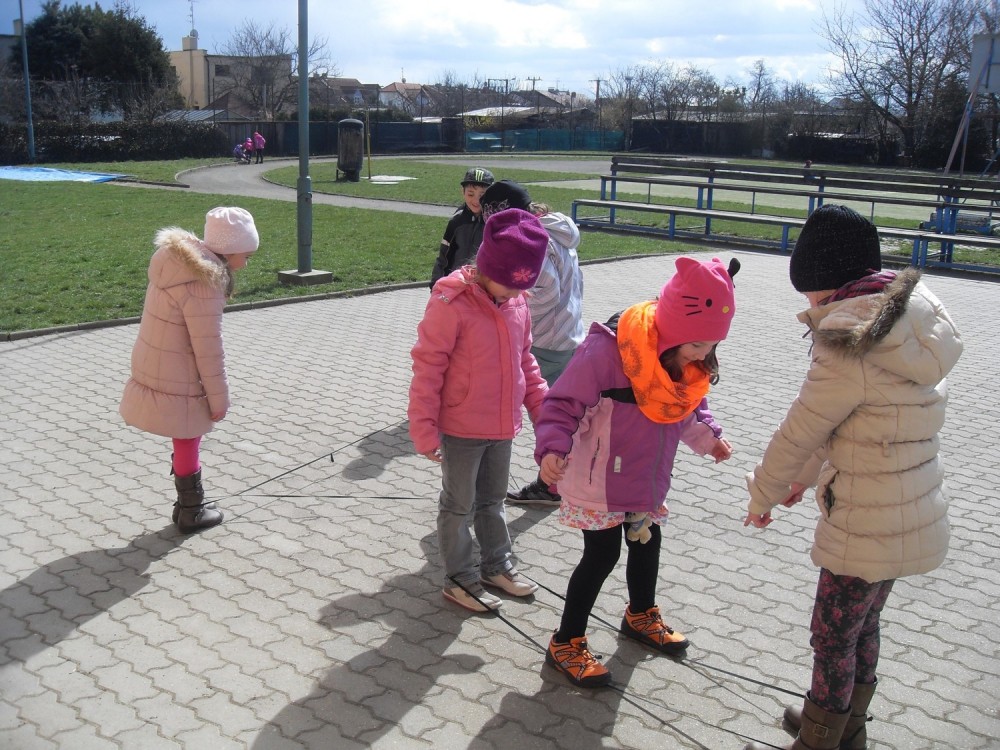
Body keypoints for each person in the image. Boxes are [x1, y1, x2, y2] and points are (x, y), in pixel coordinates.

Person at [742, 205, 963, 750]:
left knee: (832, 635)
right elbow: (855, 423)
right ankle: (847, 727)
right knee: (862, 625)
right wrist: (801, 479)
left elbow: (801, 430)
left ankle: (820, 738)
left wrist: (764, 492)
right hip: (908, 505)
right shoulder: (910, 322)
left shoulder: (848, 342)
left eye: (813, 296)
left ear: (832, 284)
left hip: (865, 516)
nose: (811, 307)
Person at [537, 256, 739, 687]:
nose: (703, 356)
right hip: (599, 481)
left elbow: (688, 407)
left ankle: (640, 615)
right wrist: (553, 448)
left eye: (710, 347)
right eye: (697, 346)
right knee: (602, 555)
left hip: (645, 476)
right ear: (673, 329)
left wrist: (710, 438)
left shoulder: (684, 360)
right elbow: (563, 404)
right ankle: (566, 641)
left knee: (647, 541)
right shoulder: (607, 352)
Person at [409, 208, 550, 613]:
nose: (512, 294)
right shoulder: (450, 302)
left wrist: (544, 411)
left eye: (520, 287)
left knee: (493, 500)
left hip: (502, 425)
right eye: (507, 285)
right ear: (487, 267)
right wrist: (424, 428)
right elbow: (428, 368)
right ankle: (460, 578)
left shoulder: (517, 302)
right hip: (462, 427)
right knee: (459, 505)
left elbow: (526, 361)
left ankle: (496, 565)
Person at [119, 207, 260, 533]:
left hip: (157, 358)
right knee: (187, 435)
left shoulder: (177, 262)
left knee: (184, 435)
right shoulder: (203, 283)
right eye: (246, 255)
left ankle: (186, 505)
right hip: (179, 368)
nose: (246, 263)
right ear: (230, 250)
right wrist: (219, 400)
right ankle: (191, 510)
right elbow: (208, 349)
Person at [477, 180, 586, 508]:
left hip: (546, 339)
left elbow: (545, 290)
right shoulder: (555, 229)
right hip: (565, 333)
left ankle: (553, 485)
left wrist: (509, 304)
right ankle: (564, 479)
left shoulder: (533, 240)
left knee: (545, 414)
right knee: (559, 412)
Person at [429, 167, 495, 287]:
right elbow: (443, 258)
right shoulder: (457, 221)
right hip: (457, 285)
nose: (476, 200)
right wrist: (436, 285)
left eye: (482, 195)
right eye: (470, 194)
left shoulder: (494, 222)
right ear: (463, 192)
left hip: (484, 287)